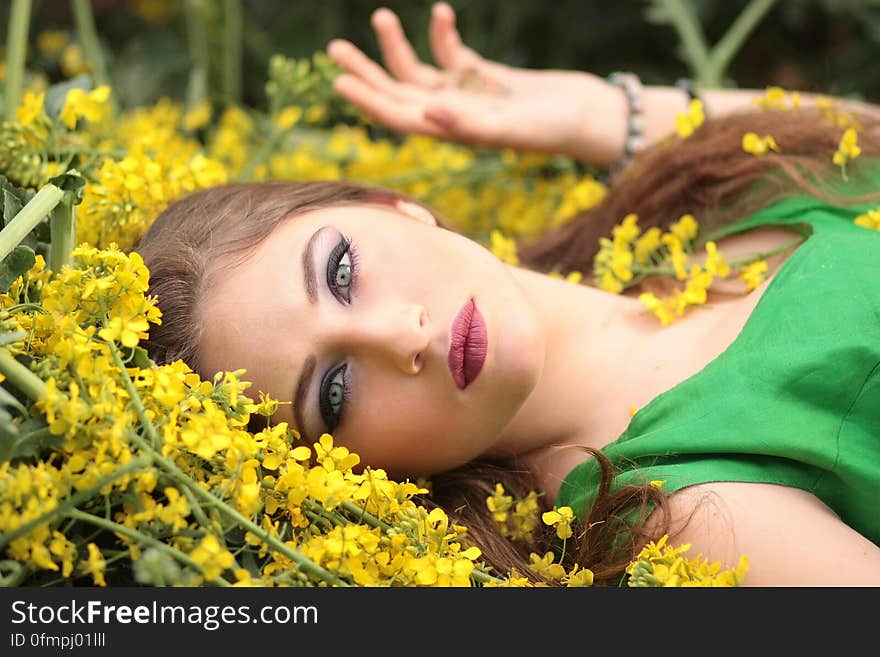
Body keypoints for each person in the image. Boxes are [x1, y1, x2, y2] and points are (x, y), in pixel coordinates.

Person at [134, 3, 880, 586]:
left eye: (342, 272)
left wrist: (599, 116)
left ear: (388, 203)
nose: (403, 335)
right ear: (351, 472)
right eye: (333, 391)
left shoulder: (697, 200)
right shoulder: (664, 508)